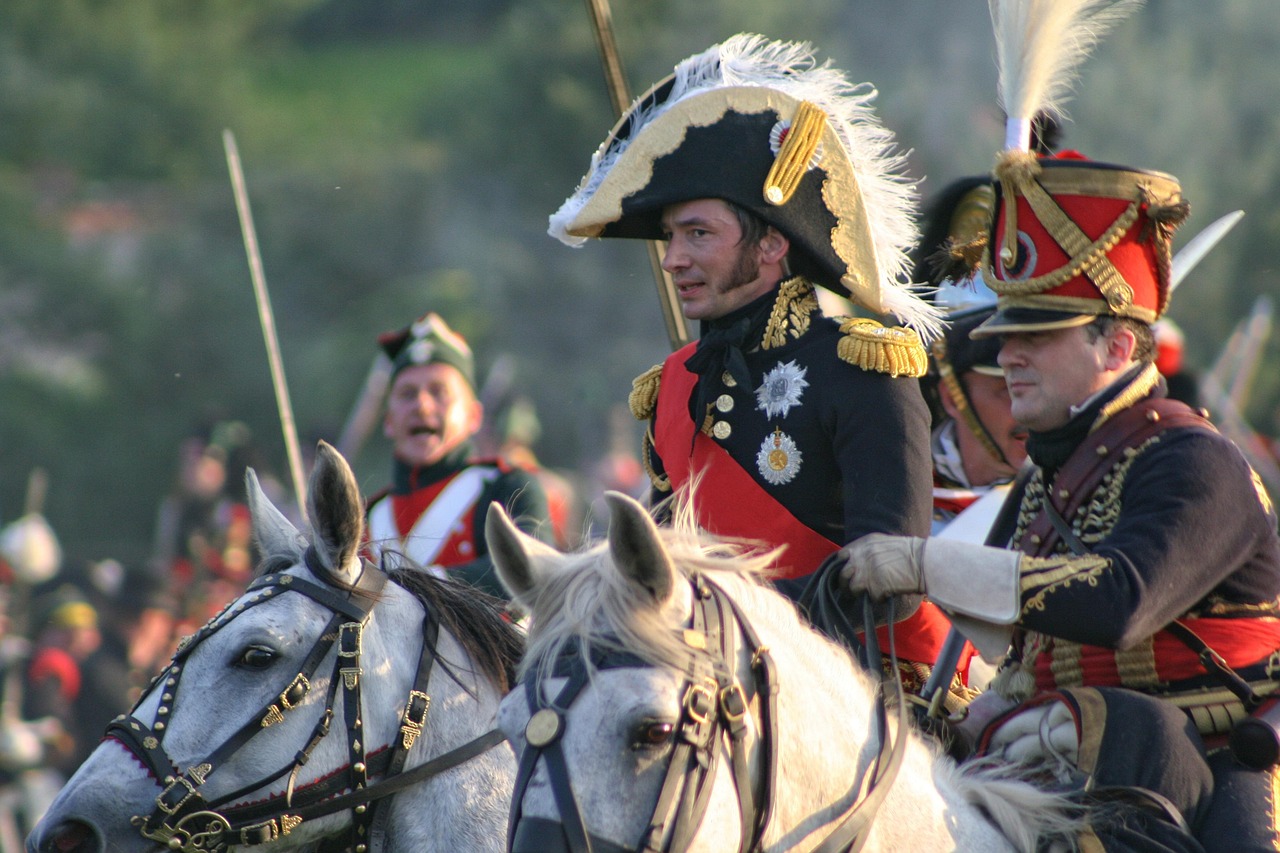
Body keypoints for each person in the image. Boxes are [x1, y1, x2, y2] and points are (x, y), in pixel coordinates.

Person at [839, 138, 1280, 852]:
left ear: (1114, 347)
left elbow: (1121, 601)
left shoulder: (1194, 460)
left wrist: (924, 563)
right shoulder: (1052, 468)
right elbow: (999, 634)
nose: (1008, 353)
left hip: (1214, 756)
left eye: (1038, 336)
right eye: (1008, 334)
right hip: (1066, 745)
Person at [548, 33, 955, 696]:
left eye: (698, 233)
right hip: (722, 701)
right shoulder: (675, 387)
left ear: (771, 242)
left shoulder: (862, 369)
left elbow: (894, 592)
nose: (673, 257)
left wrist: (722, 625)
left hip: (878, 701)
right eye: (671, 236)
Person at [364, 311, 551, 601]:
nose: (422, 406)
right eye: (407, 394)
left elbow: (530, 571)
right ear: (388, 420)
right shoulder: (366, 518)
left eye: (439, 392)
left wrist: (416, 586)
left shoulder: (508, 486)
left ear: (473, 415)